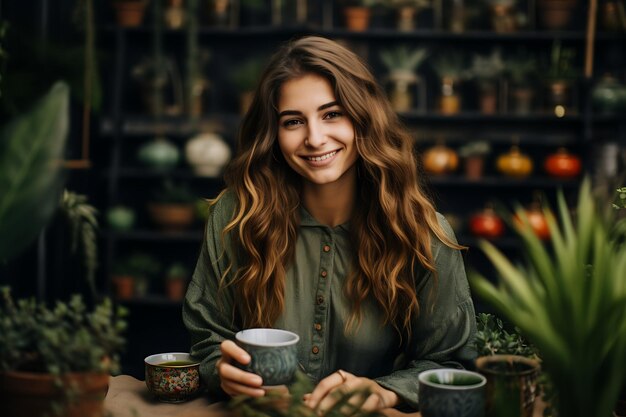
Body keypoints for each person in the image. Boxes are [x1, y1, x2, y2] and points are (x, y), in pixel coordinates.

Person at [183, 35, 477, 412]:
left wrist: (381, 391)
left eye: (332, 114)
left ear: (362, 117)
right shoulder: (235, 217)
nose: (315, 138)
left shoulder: (422, 233)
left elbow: (448, 361)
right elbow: (208, 339)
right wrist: (220, 369)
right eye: (293, 121)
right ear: (274, 134)